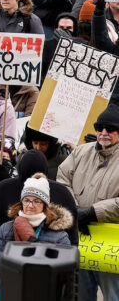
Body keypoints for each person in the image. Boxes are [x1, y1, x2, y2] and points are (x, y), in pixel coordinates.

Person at [58, 103, 119, 300]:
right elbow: (62, 179)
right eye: (99, 127)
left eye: (110, 128)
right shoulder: (80, 152)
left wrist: (92, 212)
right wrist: (73, 208)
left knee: (113, 294)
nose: (103, 133)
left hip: (112, 244)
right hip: (80, 237)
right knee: (81, 294)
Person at [0, 173, 72, 297]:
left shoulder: (59, 236)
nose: (30, 206)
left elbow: (67, 272)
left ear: (44, 205)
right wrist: (15, 259)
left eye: (36, 201)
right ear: (21, 202)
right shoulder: (7, 228)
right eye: (26, 200)